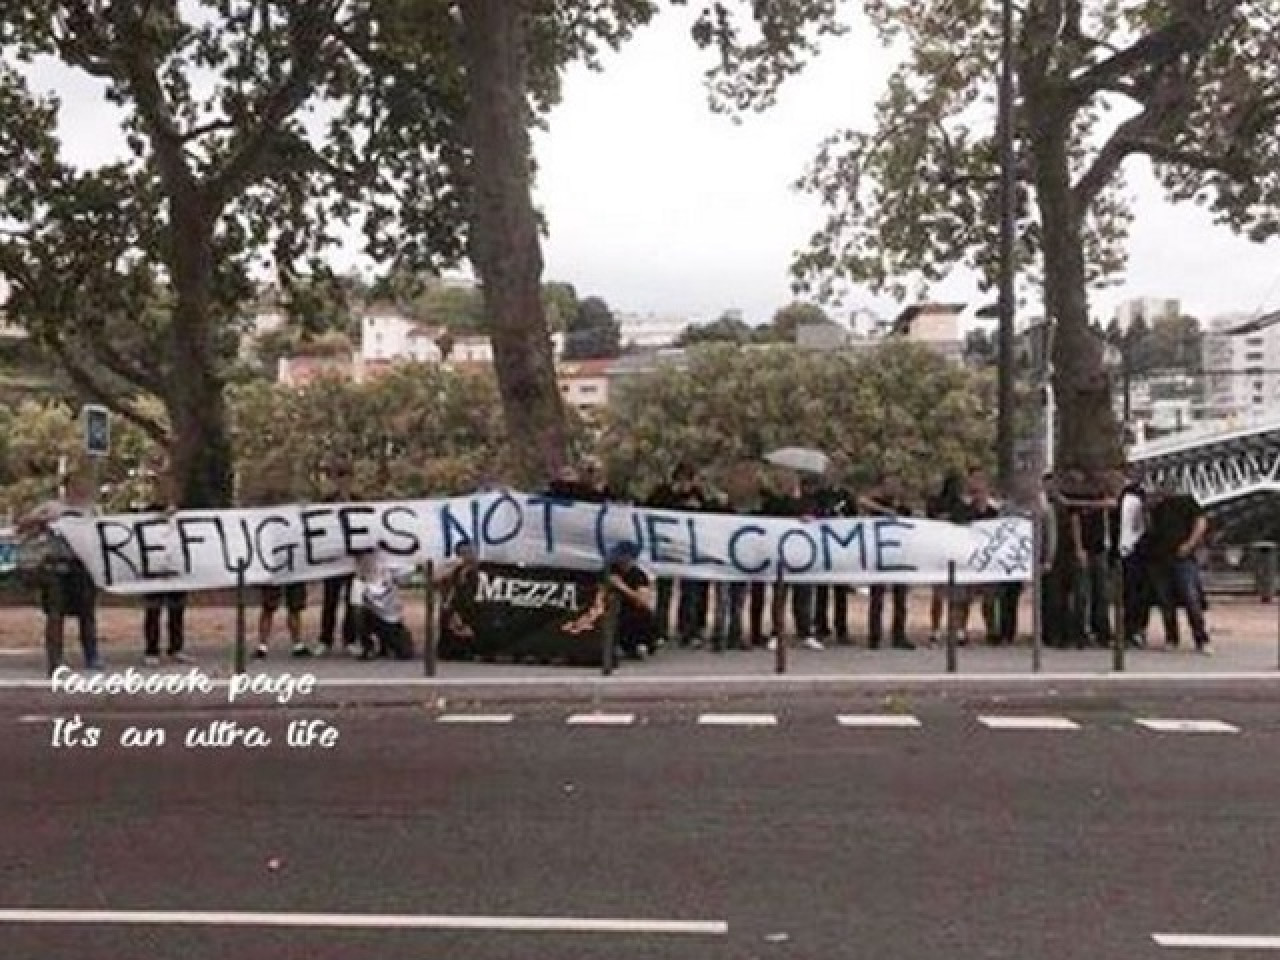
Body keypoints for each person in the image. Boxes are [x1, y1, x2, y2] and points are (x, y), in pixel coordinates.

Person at [17, 468, 100, 674]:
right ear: (67, 487)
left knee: (87, 613)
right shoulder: (51, 507)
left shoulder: (92, 510)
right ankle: (55, 660)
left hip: (83, 567)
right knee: (55, 614)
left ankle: (92, 655)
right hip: (56, 567)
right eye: (77, 484)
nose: (81, 488)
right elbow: (22, 525)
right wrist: (42, 520)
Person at [645, 464, 710, 646]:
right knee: (664, 593)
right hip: (665, 549)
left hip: (688, 551)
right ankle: (660, 630)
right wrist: (675, 500)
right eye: (682, 480)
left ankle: (687, 631)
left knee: (690, 593)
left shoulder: (697, 495)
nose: (685, 484)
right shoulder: (663, 493)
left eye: (688, 480)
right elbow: (648, 509)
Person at [1145, 484, 1212, 653]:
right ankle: (1171, 637)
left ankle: (1201, 638)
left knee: (1190, 597)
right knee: (1165, 600)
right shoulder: (1155, 506)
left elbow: (1201, 522)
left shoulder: (1185, 500)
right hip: (1158, 557)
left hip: (1182, 556)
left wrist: (1190, 544)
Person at [252, 483, 312, 660]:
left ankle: (297, 644)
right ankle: (263, 645)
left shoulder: (297, 515)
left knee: (294, 607)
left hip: (294, 564)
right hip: (275, 564)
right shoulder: (266, 516)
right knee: (269, 606)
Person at [138, 470, 189, 666]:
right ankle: (151, 650)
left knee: (177, 609)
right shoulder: (147, 511)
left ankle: (176, 648)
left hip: (175, 565)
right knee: (153, 610)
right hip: (154, 566)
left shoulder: (182, 510)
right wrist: (159, 516)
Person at [860, 475, 914, 649]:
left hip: (900, 556)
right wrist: (885, 511)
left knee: (901, 599)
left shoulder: (903, 507)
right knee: (877, 597)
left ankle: (899, 635)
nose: (893, 488)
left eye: (896, 485)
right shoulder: (876, 502)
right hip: (880, 556)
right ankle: (874, 636)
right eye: (889, 485)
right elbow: (862, 501)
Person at [951, 468, 999, 645]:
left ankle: (992, 631)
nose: (977, 483)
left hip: (988, 560)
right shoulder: (961, 507)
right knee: (963, 600)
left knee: (989, 600)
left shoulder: (994, 509)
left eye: (981, 479)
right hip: (967, 559)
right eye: (974, 479)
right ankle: (960, 632)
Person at [317, 464, 358, 656]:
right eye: (339, 477)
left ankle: (350, 639)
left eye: (346, 477)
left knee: (352, 602)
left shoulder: (359, 501)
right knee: (329, 601)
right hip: (332, 560)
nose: (343, 481)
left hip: (352, 560)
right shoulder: (326, 502)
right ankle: (325, 640)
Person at [925, 471, 966, 645]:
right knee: (939, 595)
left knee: (957, 596)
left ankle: (957, 629)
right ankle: (935, 629)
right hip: (939, 552)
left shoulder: (961, 505)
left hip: (956, 552)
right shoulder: (935, 502)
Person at [349, 549, 413, 660]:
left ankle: (387, 644)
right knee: (359, 613)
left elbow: (404, 577)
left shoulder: (392, 554)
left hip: (387, 599)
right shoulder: (359, 578)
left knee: (404, 652)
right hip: (366, 591)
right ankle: (367, 645)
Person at [1113, 467, 1150, 648]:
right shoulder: (1124, 497)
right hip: (1122, 548)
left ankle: (1134, 630)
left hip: (1135, 549)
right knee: (1126, 594)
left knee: (1135, 594)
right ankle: (1128, 630)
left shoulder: (1138, 496)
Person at [607, 542, 657, 659]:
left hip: (630, 610)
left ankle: (639, 644)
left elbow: (642, 601)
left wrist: (622, 586)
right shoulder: (610, 571)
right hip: (612, 609)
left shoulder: (639, 575)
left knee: (643, 614)